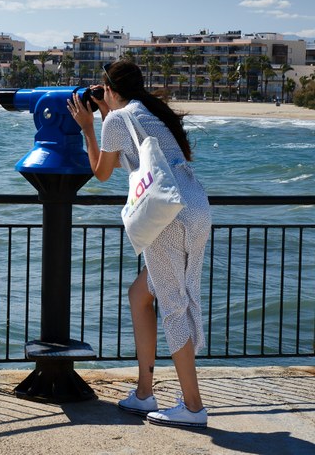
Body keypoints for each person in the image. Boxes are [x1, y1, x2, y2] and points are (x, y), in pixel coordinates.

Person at [68, 60, 212, 429]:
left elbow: (101, 172)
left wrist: (88, 127)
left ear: (110, 88)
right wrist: (105, 116)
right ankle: (145, 393)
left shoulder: (119, 118)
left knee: (174, 306)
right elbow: (131, 161)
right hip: (194, 207)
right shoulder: (150, 113)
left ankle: (193, 407)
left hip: (168, 217)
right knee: (140, 294)